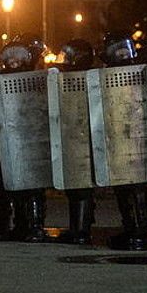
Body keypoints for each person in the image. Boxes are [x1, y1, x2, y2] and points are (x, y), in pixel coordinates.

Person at [0, 39, 48, 242]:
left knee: (32, 184)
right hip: (7, 137)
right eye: (10, 57)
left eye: (19, 57)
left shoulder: (36, 79)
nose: (14, 61)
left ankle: (33, 226)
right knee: (8, 185)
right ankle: (14, 225)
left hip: (32, 136)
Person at [101, 32, 147, 251]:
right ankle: (135, 230)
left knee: (134, 186)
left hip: (134, 131)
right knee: (126, 186)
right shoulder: (120, 72)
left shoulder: (139, 71)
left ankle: (137, 233)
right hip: (124, 131)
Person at [57, 38, 97, 245]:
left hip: (82, 136)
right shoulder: (72, 77)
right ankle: (78, 227)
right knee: (75, 186)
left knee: (81, 186)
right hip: (76, 135)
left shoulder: (85, 78)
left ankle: (80, 230)